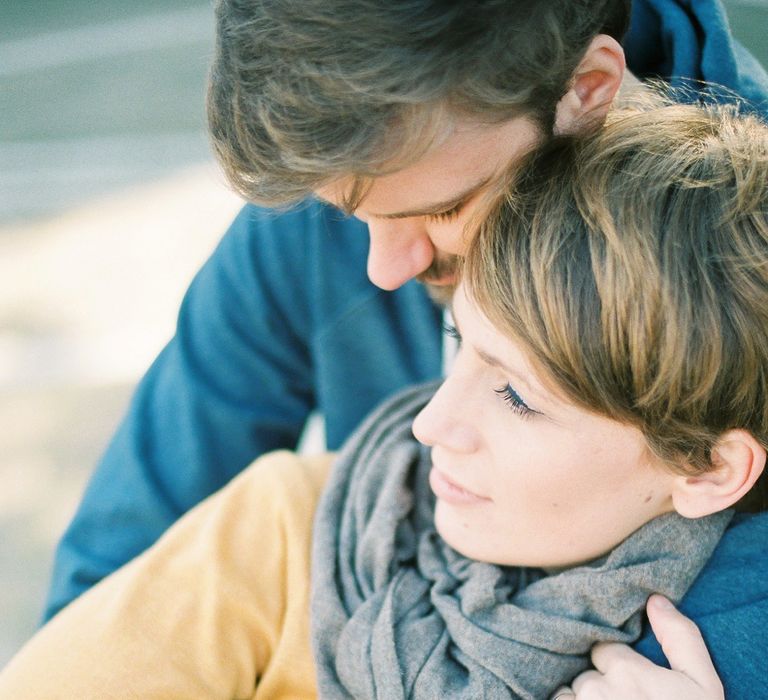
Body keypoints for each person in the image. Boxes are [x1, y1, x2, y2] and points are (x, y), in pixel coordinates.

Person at [40, 0, 768, 691]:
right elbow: (123, 562)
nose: (382, 269)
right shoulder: (361, 178)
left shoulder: (742, 311)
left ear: (589, 90)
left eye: (443, 209)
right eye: (346, 215)